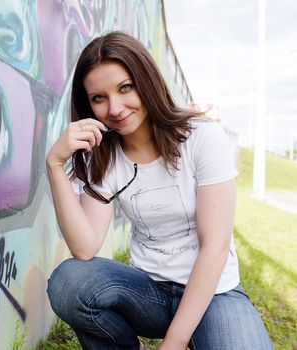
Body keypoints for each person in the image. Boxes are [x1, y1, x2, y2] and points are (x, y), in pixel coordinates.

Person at [45, 31, 272, 350]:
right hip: (149, 293)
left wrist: (175, 342)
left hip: (214, 293)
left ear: (146, 80)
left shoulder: (202, 138)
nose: (115, 107)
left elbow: (215, 247)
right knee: (69, 282)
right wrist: (54, 164)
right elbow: (84, 249)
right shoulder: (105, 156)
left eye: (125, 88)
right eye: (99, 98)